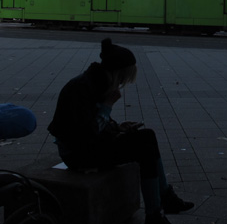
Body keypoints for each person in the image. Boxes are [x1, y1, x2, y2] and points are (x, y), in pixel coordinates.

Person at [48, 38, 193, 224]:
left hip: (86, 147)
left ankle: (162, 202)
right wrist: (107, 106)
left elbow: (92, 125)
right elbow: (86, 134)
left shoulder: (94, 83)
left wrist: (117, 127)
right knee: (145, 142)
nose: (123, 84)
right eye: (124, 78)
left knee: (147, 137)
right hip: (78, 155)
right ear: (118, 73)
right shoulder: (80, 88)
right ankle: (157, 212)